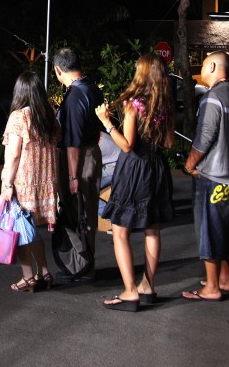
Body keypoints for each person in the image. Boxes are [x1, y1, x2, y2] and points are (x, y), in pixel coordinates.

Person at [95, 52, 175, 310]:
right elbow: (168, 142)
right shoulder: (163, 104)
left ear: (142, 73)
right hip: (156, 167)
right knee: (152, 228)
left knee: (120, 230)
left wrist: (107, 124)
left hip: (134, 170)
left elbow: (127, 146)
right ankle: (148, 286)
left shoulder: (133, 103)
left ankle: (130, 291)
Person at [183, 51, 229, 302]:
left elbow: (205, 137)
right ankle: (225, 279)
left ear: (215, 66)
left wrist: (189, 163)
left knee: (209, 229)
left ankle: (212, 288)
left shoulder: (212, 98)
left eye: (205, 65)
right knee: (226, 229)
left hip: (211, 174)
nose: (202, 69)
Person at [0, 71, 61, 292]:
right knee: (30, 229)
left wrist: (7, 185)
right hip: (45, 183)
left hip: (22, 183)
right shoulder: (49, 116)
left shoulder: (19, 117)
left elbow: (14, 154)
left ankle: (28, 278)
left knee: (21, 229)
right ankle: (44, 272)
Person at [53, 46, 103, 278]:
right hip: (93, 152)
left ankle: (82, 264)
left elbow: (72, 142)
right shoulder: (92, 88)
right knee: (88, 210)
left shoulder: (74, 96)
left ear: (57, 70)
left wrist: (72, 176)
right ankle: (86, 263)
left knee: (77, 211)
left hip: (79, 159)